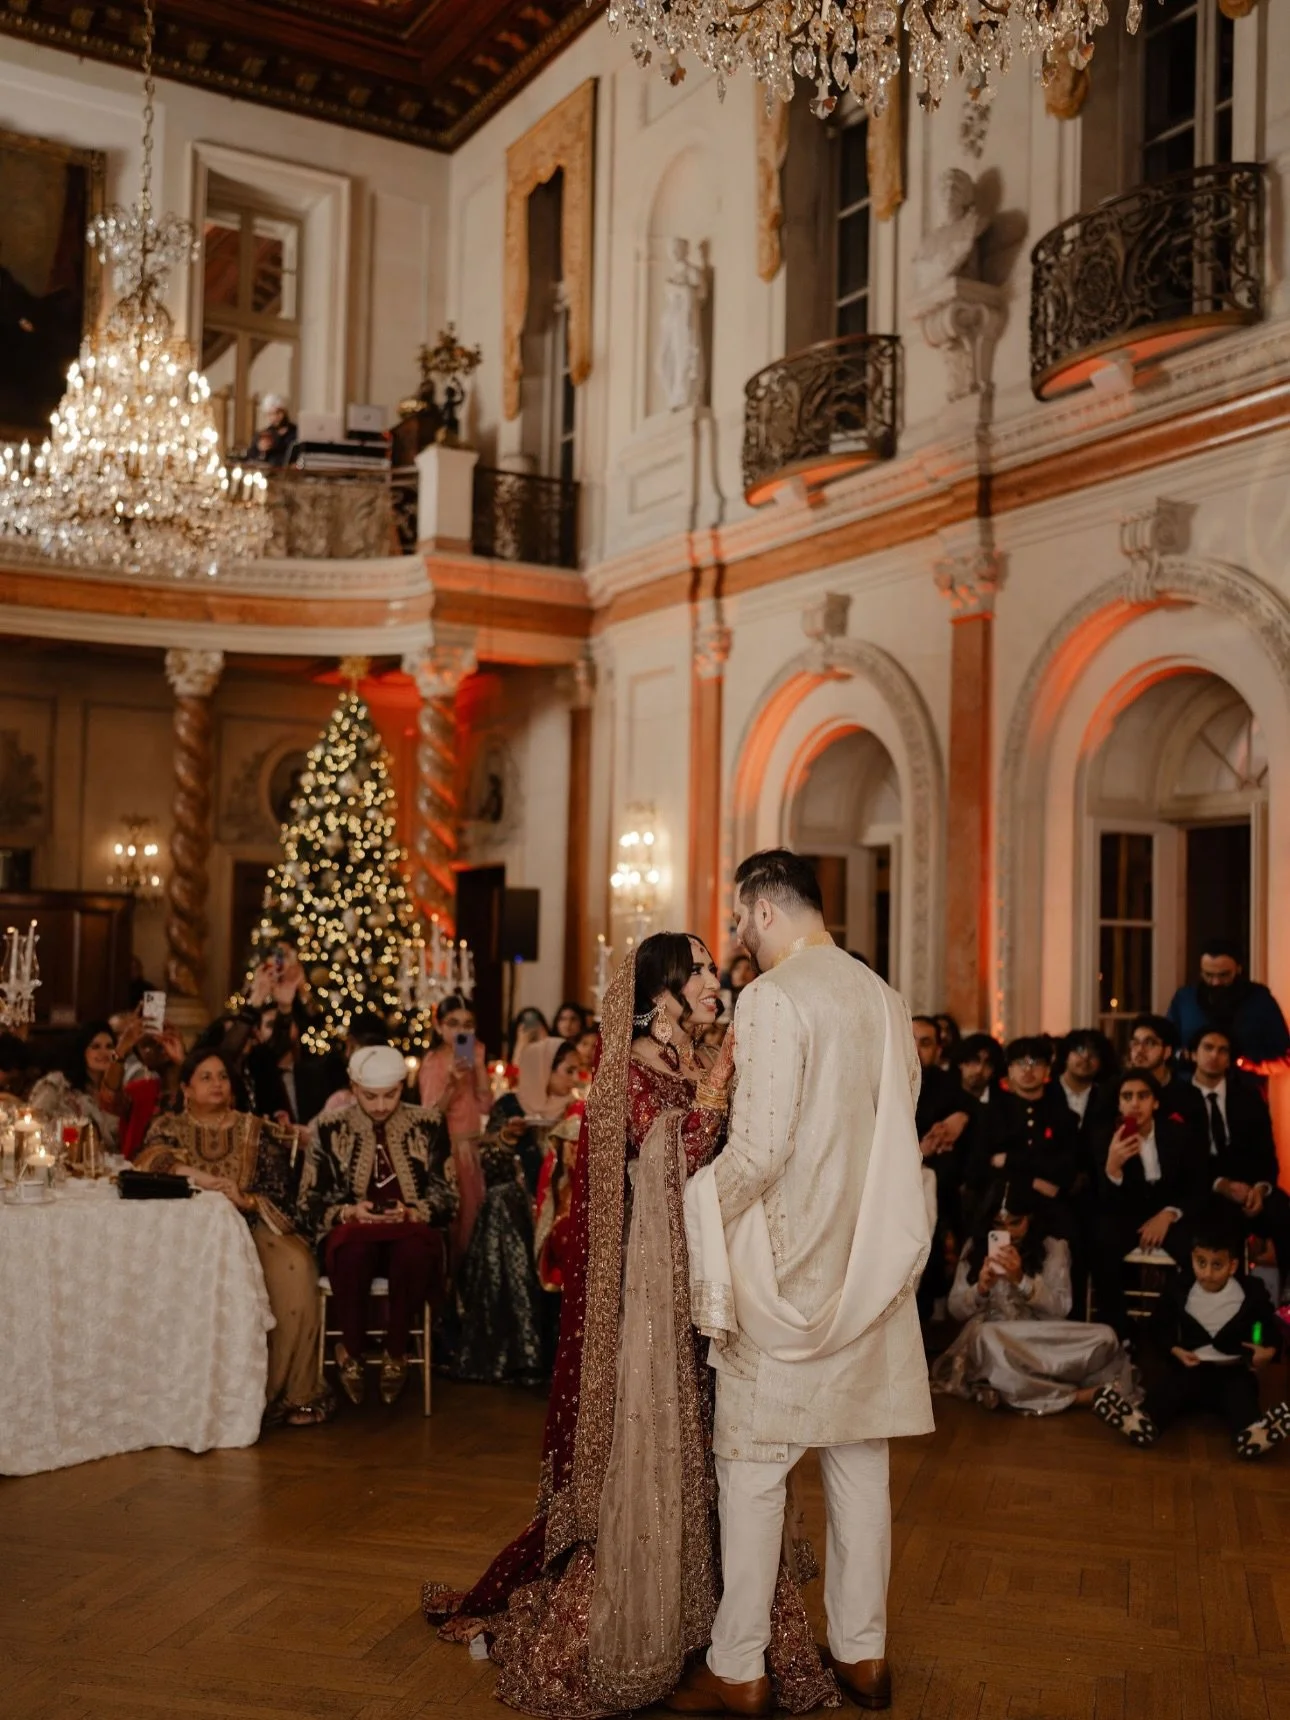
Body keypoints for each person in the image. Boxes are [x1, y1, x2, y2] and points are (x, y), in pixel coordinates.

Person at [424, 931, 836, 1717]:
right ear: (660, 995)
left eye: (716, 967)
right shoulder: (627, 1074)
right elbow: (660, 1166)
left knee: (722, 1447)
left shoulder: (682, 1061)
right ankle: (650, 1619)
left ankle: (724, 1625)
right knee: (663, 1445)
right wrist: (718, 1085)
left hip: (707, 1281)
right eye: (701, 972)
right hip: (648, 1302)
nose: (718, 979)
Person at [674, 849, 932, 1717]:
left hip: (786, 1270)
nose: (736, 935)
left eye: (740, 918)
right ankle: (864, 1655)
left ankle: (739, 1665)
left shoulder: (774, 997)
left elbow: (761, 1148)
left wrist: (686, 1206)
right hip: (870, 1269)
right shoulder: (885, 999)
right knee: (861, 1465)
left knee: (751, 1470)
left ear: (766, 908)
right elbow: (895, 1125)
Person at [136, 1049, 329, 1427]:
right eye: (205, 1077)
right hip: (187, 1235)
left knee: (296, 1265)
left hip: (251, 1225)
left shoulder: (255, 1129)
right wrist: (201, 1179)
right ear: (186, 1088)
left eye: (222, 1076)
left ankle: (288, 1394)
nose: (216, 1084)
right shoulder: (169, 1126)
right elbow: (151, 1160)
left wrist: (247, 1200)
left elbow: (285, 1192)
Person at [299, 1044, 457, 1406]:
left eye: (392, 1094)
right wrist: (351, 1212)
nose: (382, 1105)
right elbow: (308, 1201)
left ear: (404, 1086)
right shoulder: (329, 1127)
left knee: (415, 1248)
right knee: (354, 1247)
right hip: (353, 1233)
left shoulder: (428, 1124)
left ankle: (396, 1350)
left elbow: (448, 1197)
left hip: (409, 1230)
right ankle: (351, 1349)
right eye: (371, 1096)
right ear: (353, 1088)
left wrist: (411, 1211)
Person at [1094, 1204, 1290, 1459]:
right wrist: (1175, 1350)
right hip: (1191, 1368)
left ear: (1232, 1266)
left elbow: (1268, 1325)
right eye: (1201, 1263)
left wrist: (1268, 1350)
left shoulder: (1251, 1292)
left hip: (1231, 1370)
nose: (1207, 1273)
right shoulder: (1180, 1288)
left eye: (1216, 1265)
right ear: (1192, 1259)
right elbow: (1158, 1326)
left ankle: (1252, 1434)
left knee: (1241, 1397)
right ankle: (1141, 1421)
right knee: (1168, 1391)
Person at [933, 1181, 1135, 1414]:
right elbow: (955, 1309)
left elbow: (1061, 1308)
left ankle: (1018, 1389)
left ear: (1031, 1219)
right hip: (995, 1340)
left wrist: (1021, 1281)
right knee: (984, 1335)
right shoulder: (974, 1247)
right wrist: (980, 1288)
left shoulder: (1053, 1248)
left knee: (1106, 1336)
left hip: (1040, 1335)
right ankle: (1079, 1397)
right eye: (998, 1225)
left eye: (1015, 1223)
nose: (1007, 1232)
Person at [1091, 1070, 1205, 1336]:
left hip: (1169, 1212)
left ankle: (1167, 1324)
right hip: (1126, 1214)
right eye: (1127, 1097)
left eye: (1143, 1096)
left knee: (1198, 1253)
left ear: (1155, 1102)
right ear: (1118, 1103)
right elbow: (1104, 1202)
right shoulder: (1105, 1136)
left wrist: (1168, 1214)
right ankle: (1119, 1331)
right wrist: (1113, 1169)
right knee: (1099, 1246)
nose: (1135, 1104)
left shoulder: (1178, 1133)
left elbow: (1197, 1188)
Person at [447, 1111, 547, 1388]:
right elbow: (494, 1151)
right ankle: (519, 1355)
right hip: (503, 1208)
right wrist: (505, 1135)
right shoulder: (509, 1110)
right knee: (502, 1273)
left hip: (517, 1207)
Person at [1188, 1025, 1290, 1272]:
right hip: (1203, 1187)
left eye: (1223, 1050)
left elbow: (1267, 1155)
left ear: (1230, 1060)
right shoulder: (1177, 1098)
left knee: (1282, 1208)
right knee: (1219, 1218)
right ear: (1193, 1054)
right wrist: (1221, 1185)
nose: (1214, 1055)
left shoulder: (1249, 1097)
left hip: (1249, 1186)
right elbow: (1180, 1162)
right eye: (1208, 1048)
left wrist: (1260, 1188)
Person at [418, 995, 492, 1265]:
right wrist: (452, 1084)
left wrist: (480, 1068)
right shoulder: (433, 1062)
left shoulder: (473, 1055)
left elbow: (485, 1106)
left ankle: (468, 1291)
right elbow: (429, 1116)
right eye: (453, 1023)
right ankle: (449, 1293)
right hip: (448, 1152)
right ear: (439, 1027)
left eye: (468, 1024)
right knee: (456, 1223)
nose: (463, 1031)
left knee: (474, 1221)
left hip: (472, 1148)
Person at [1167, 941, 1290, 1069]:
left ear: (1238, 969)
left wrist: (1243, 1063)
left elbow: (1284, 1054)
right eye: (1208, 975)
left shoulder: (1259, 999)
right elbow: (1167, 1045)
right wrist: (1184, 1056)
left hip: (1243, 1084)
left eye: (1224, 975)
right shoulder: (1185, 998)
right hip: (1190, 1084)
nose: (1215, 982)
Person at [492, 1038, 581, 1195]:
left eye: (577, 1071)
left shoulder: (574, 1109)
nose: (576, 1079)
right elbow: (486, 1161)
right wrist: (507, 1136)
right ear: (543, 1069)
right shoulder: (509, 1105)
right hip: (513, 1204)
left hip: (559, 1202)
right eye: (569, 1071)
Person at [97, 1014, 187, 1160]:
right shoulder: (139, 1090)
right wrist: (121, 1050)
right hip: (139, 1173)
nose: (158, 1047)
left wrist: (181, 1060)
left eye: (161, 1041)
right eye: (146, 1045)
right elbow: (108, 1099)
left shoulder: (194, 1089)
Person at [28, 1020, 121, 1151]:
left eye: (109, 1046)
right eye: (96, 1047)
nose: (104, 1052)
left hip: (108, 1164)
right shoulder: (58, 1083)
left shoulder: (119, 1089)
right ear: (82, 1051)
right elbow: (34, 1120)